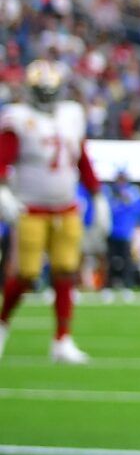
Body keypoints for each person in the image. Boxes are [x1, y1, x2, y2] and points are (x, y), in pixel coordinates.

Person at [0, 59, 100, 363]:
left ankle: (62, 340)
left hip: (66, 206)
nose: (46, 97)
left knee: (66, 270)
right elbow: (3, 159)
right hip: (30, 206)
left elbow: (81, 157)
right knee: (27, 273)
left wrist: (97, 193)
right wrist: (3, 190)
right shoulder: (19, 119)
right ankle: (2, 324)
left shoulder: (71, 115)